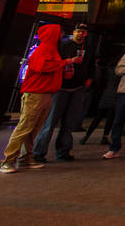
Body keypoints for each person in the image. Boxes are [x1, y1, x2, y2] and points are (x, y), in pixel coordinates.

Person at [0, 24, 74, 173]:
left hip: (47, 93)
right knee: (25, 127)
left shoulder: (53, 51)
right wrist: (64, 63)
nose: (62, 36)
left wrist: (65, 70)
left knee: (34, 128)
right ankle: (8, 160)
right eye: (59, 33)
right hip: (35, 94)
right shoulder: (42, 50)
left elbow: (53, 69)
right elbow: (43, 67)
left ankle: (26, 159)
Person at [33, 23, 94, 162]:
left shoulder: (89, 48)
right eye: (78, 31)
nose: (80, 33)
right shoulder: (63, 46)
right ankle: (39, 152)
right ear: (74, 32)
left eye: (83, 32)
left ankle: (63, 150)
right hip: (61, 88)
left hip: (78, 88)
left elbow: (90, 66)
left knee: (69, 122)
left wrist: (89, 79)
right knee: (50, 121)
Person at [81, 57, 119, 145]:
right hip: (115, 96)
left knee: (97, 118)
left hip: (105, 95)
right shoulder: (119, 73)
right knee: (110, 118)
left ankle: (87, 136)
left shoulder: (106, 72)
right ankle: (105, 136)